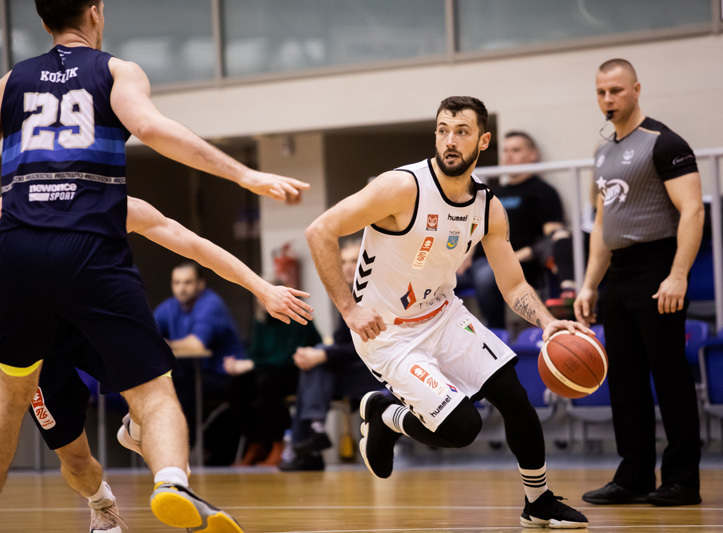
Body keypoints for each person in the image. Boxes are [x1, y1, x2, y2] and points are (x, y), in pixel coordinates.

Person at [0, 1, 309, 531]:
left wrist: (261, 287)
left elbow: (191, 243)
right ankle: (145, 489)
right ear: (96, 11)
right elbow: (151, 126)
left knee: (9, 396)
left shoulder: (6, 89)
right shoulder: (115, 73)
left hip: (29, 274)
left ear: (43, 20)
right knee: (110, 429)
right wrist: (244, 175)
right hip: (86, 265)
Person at [306, 95, 591, 529]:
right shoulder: (401, 187)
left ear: (483, 141)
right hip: (388, 335)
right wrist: (348, 308)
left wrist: (548, 323)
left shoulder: (487, 207)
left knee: (515, 397)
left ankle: (538, 502)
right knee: (462, 428)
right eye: (443, 130)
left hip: (443, 315)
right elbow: (319, 231)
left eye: (461, 132)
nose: (450, 140)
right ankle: (386, 416)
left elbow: (513, 284)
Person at [0, 196, 313, 532]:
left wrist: (262, 287)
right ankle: (101, 504)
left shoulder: (110, 202)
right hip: (38, 343)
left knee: (159, 397)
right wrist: (13, 263)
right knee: (75, 461)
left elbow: (194, 245)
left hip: (95, 325)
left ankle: (174, 486)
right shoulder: (13, 208)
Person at [574, 58, 704, 507]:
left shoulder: (665, 143)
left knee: (669, 376)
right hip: (620, 273)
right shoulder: (602, 151)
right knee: (625, 380)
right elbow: (602, 223)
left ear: (636, 90)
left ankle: (682, 480)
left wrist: (678, 274)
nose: (607, 99)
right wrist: (589, 284)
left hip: (659, 265)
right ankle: (633, 476)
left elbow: (693, 210)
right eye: (601, 92)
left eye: (616, 90)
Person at [279, 239, 383, 472]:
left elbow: (370, 345)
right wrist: (323, 354)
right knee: (316, 363)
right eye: (343, 262)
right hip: (356, 367)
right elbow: (342, 344)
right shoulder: (349, 296)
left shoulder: (376, 296)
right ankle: (312, 434)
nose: (347, 267)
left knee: (318, 362)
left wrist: (324, 355)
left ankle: (305, 442)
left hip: (378, 371)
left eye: (354, 261)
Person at [460, 131, 574, 333]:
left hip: (519, 263)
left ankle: (495, 333)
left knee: (487, 275)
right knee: (441, 277)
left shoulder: (543, 192)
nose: (509, 156)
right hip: (480, 261)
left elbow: (552, 238)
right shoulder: (495, 192)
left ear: (532, 154)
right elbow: (477, 226)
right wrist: (464, 255)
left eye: (516, 150)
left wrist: (515, 257)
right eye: (505, 150)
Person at [154, 261, 245, 448]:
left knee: (178, 387)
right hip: (194, 375)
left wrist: (166, 343)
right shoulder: (170, 307)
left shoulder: (211, 304)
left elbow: (196, 345)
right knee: (158, 383)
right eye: (177, 283)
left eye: (187, 282)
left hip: (226, 376)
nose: (181, 288)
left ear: (200, 284)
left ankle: (181, 449)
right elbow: (148, 333)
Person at [225, 298, 322, 466]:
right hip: (269, 370)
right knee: (236, 385)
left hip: (301, 372)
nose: (263, 301)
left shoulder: (298, 316)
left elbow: (288, 358)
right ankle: (256, 443)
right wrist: (239, 364)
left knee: (266, 385)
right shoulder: (261, 319)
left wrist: (252, 364)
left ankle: (280, 444)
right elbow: (255, 353)